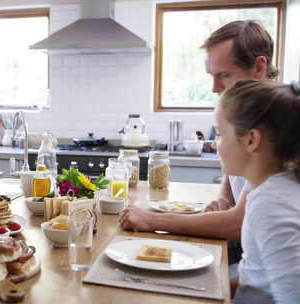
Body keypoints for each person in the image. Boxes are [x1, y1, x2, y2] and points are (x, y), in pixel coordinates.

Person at [119, 20, 277, 258]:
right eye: (212, 76)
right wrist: (224, 197)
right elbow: (238, 175)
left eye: (224, 75)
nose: (214, 88)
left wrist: (153, 220)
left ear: (258, 67)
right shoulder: (248, 114)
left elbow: (239, 224)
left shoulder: (278, 123)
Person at [215, 79, 300, 304]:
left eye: (220, 134)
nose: (216, 144)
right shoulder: (270, 189)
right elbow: (254, 281)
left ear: (251, 139)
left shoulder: (271, 203)